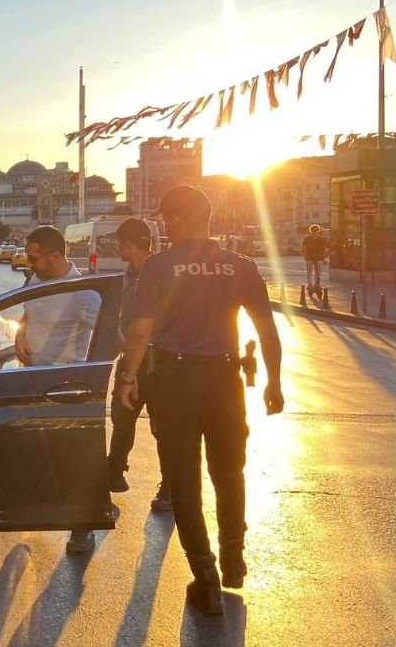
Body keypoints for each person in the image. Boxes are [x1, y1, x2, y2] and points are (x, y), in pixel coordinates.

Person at [118, 185, 284, 614]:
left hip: (175, 380)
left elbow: (140, 332)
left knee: (184, 478)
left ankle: (205, 576)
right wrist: (274, 383)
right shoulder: (240, 266)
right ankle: (233, 559)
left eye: (165, 219)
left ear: (178, 220)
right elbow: (267, 331)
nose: (163, 227)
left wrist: (128, 377)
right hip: (224, 380)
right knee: (229, 472)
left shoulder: (158, 266)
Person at [13, 226, 103, 554]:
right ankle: (39, 512)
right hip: (30, 383)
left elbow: (111, 337)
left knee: (73, 462)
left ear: (55, 256)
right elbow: (27, 312)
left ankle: (83, 529)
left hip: (64, 390)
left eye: (35, 258)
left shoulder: (84, 294)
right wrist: (19, 334)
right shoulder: (35, 280)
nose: (29, 263)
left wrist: (96, 376)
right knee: (37, 455)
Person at [105, 219, 171, 510]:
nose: (117, 247)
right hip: (130, 357)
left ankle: (168, 486)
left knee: (162, 425)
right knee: (122, 418)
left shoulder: (161, 273)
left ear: (127, 244)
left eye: (119, 242)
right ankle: (114, 474)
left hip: (158, 362)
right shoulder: (126, 277)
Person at [301, 224, 327, 295]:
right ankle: (310, 284)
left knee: (318, 272)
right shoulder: (307, 239)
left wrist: (324, 254)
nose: (314, 232)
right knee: (309, 271)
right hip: (309, 258)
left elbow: (324, 248)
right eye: (313, 230)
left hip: (319, 258)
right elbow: (303, 248)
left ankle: (317, 284)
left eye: (316, 230)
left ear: (318, 231)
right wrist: (305, 255)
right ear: (311, 231)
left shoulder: (320, 239)